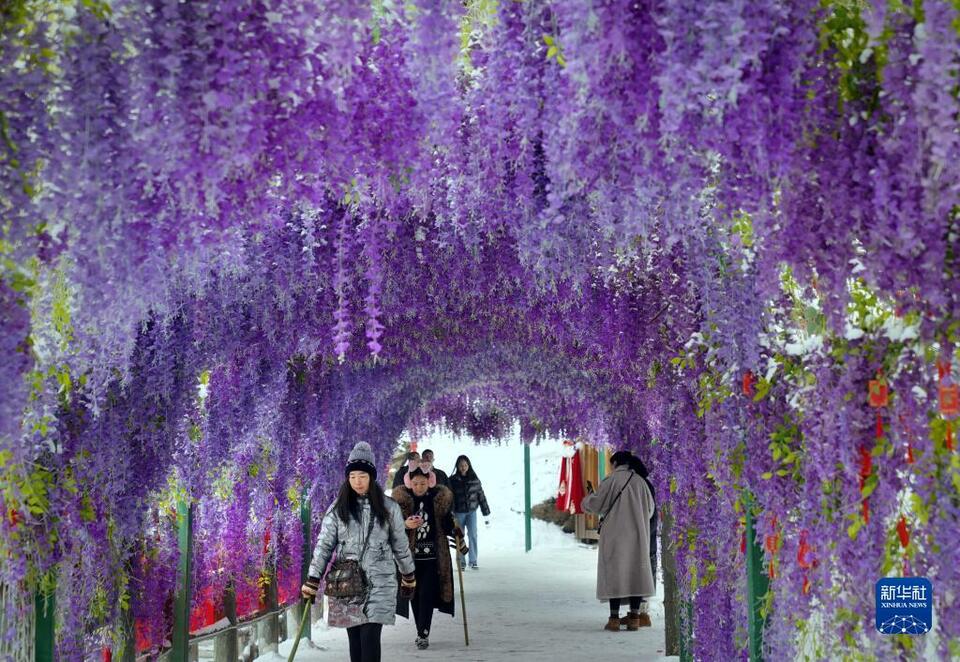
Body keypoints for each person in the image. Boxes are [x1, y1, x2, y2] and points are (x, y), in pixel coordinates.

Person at [301, 442, 416, 662]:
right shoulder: (338, 509)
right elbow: (324, 545)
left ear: (371, 477)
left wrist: (408, 575)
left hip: (380, 582)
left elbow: (400, 545)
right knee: (355, 642)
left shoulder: (388, 507)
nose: (357, 481)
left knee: (370, 638)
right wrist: (313, 578)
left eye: (362, 476)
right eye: (352, 476)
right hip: (348, 584)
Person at [393, 466, 468, 649]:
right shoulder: (401, 503)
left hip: (433, 558)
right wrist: (405, 524)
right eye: (416, 483)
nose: (419, 487)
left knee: (426, 594)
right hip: (408, 560)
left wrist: (456, 531)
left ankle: (423, 633)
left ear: (430, 482)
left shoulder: (437, 501)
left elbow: (447, 523)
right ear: (409, 483)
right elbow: (391, 528)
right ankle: (421, 630)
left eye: (423, 483)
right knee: (414, 596)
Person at [582, 450, 656, 632]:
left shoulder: (611, 480)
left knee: (615, 573)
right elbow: (651, 510)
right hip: (638, 535)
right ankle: (634, 618)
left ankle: (614, 619)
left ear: (615, 463)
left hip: (615, 535)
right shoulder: (641, 482)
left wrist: (587, 498)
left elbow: (596, 504)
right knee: (635, 575)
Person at [448, 455, 490, 570]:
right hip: (458, 513)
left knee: (473, 535)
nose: (463, 467)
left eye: (465, 465)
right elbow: (449, 498)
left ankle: (473, 560)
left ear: (469, 466)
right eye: (461, 465)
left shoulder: (474, 479)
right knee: (459, 537)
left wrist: (486, 512)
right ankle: (461, 562)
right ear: (457, 466)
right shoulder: (452, 480)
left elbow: (481, 497)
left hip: (472, 512)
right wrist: (450, 512)